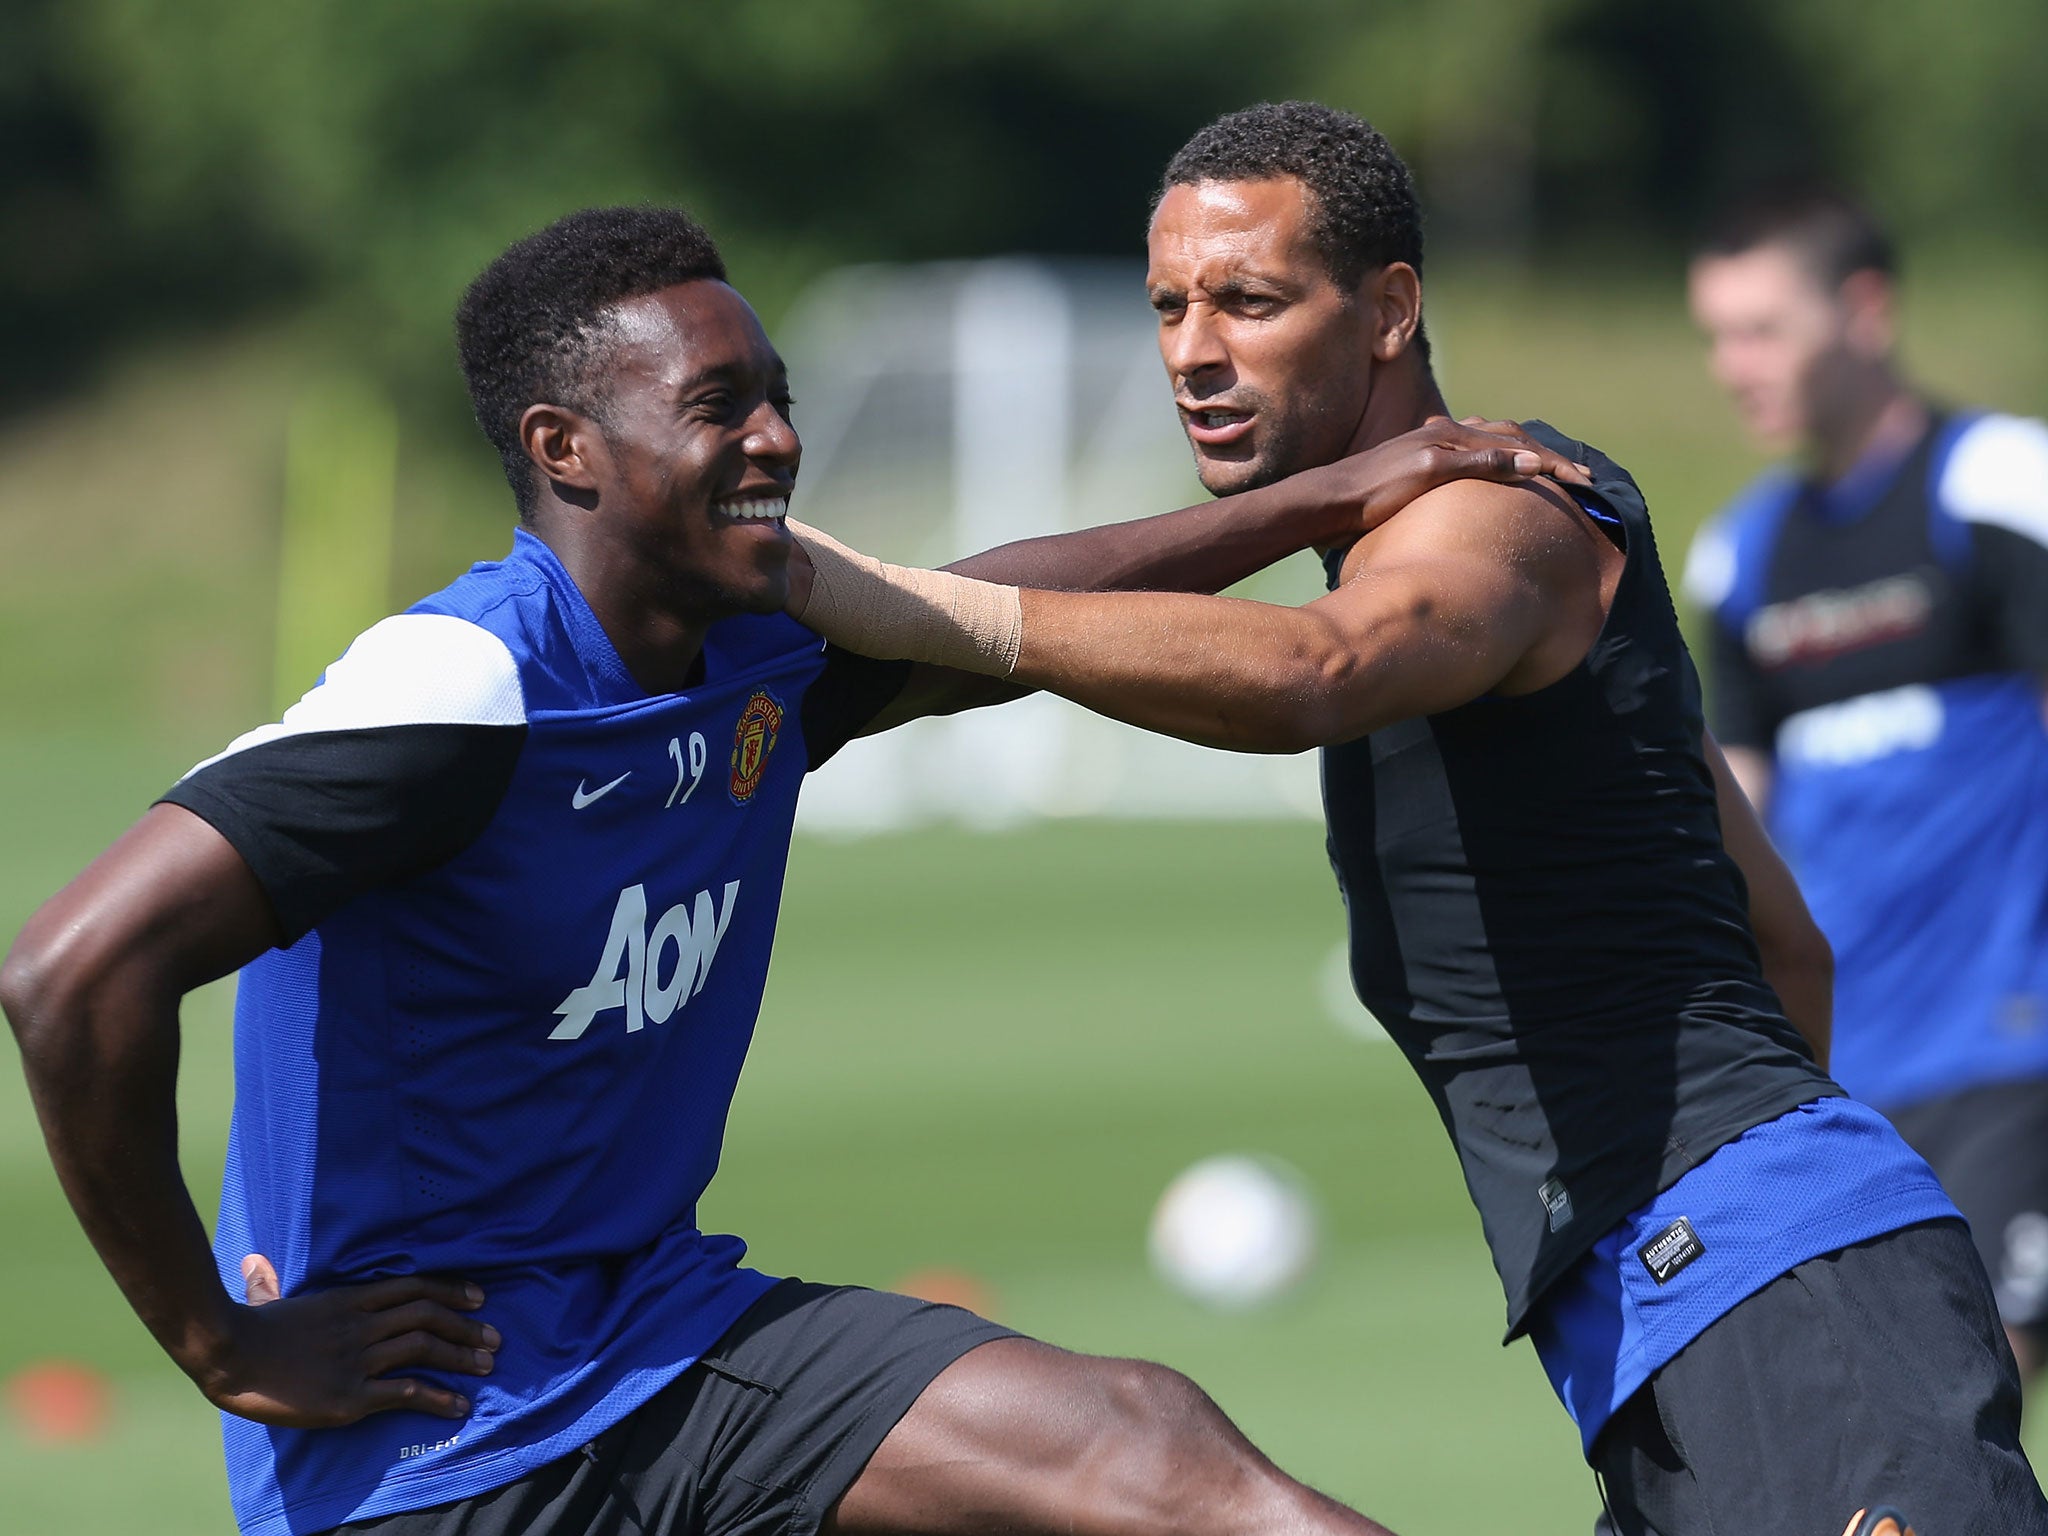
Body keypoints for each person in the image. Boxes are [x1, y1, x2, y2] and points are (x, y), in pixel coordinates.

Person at [0, 204, 1591, 1536]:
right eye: (719, 406)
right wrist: (219, 1341)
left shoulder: (748, 646)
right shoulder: (460, 697)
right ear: (567, 448)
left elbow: (996, 614)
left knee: (1148, 1448)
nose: (778, 435)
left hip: (660, 1334)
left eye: (772, 391)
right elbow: (70, 973)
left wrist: (1324, 498)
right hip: (427, 1448)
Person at [779, 103, 2048, 1533]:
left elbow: (1313, 669)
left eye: (1249, 301)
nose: (1195, 347)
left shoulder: (1501, 516)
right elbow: (1785, 940)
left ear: (1390, 311)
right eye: (1169, 305)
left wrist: (1770, 1235)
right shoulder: (1447, 552)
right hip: (1692, 1323)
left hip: (1777, 1307)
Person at [1683, 183, 2048, 1385]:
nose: (1731, 365)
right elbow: (1733, 821)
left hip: (2008, 1040)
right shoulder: (1740, 554)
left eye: (1761, 329)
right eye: (1713, 334)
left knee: (1962, 1386)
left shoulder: (1994, 485)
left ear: (1864, 311)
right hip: (1839, 1075)